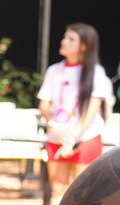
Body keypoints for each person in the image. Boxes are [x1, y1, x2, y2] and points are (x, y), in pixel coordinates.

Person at [38, 22, 112, 195]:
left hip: (86, 136)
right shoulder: (54, 70)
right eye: (65, 38)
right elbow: (44, 104)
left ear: (84, 46)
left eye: (71, 39)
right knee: (58, 189)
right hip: (57, 136)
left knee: (82, 193)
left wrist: (72, 137)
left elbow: (92, 109)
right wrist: (55, 129)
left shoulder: (96, 72)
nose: (63, 42)